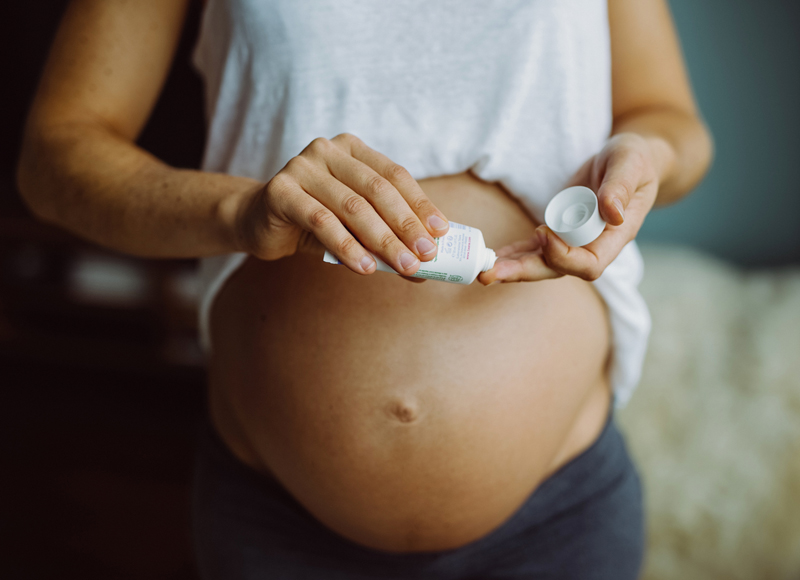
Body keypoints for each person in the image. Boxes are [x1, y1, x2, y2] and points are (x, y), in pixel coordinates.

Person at [18, 0, 713, 578]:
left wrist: (647, 156)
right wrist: (240, 209)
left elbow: (672, 120)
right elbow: (53, 161)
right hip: (277, 529)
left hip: (556, 526)